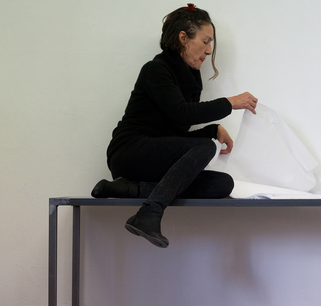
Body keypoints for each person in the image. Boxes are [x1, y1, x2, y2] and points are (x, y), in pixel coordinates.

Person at [91, 4, 258, 248]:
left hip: (154, 160)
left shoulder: (190, 78)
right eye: (205, 41)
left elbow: (174, 132)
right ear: (183, 38)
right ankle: (150, 212)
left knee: (223, 184)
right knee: (205, 147)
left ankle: (131, 189)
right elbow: (181, 113)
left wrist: (212, 130)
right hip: (129, 152)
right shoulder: (156, 69)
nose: (209, 50)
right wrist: (229, 103)